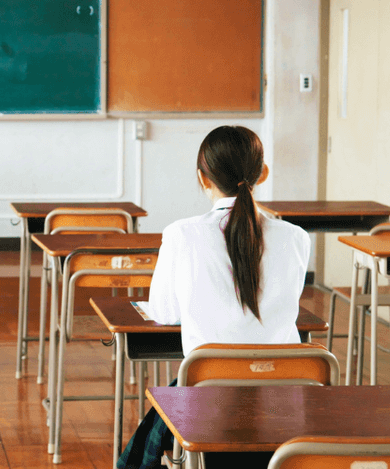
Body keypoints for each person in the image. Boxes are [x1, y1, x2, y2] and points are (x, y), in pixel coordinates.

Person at [117, 125, 311, 469]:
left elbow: (164, 311)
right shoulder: (296, 237)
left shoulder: (182, 234)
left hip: (209, 404)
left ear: (202, 178)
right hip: (284, 401)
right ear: (262, 173)